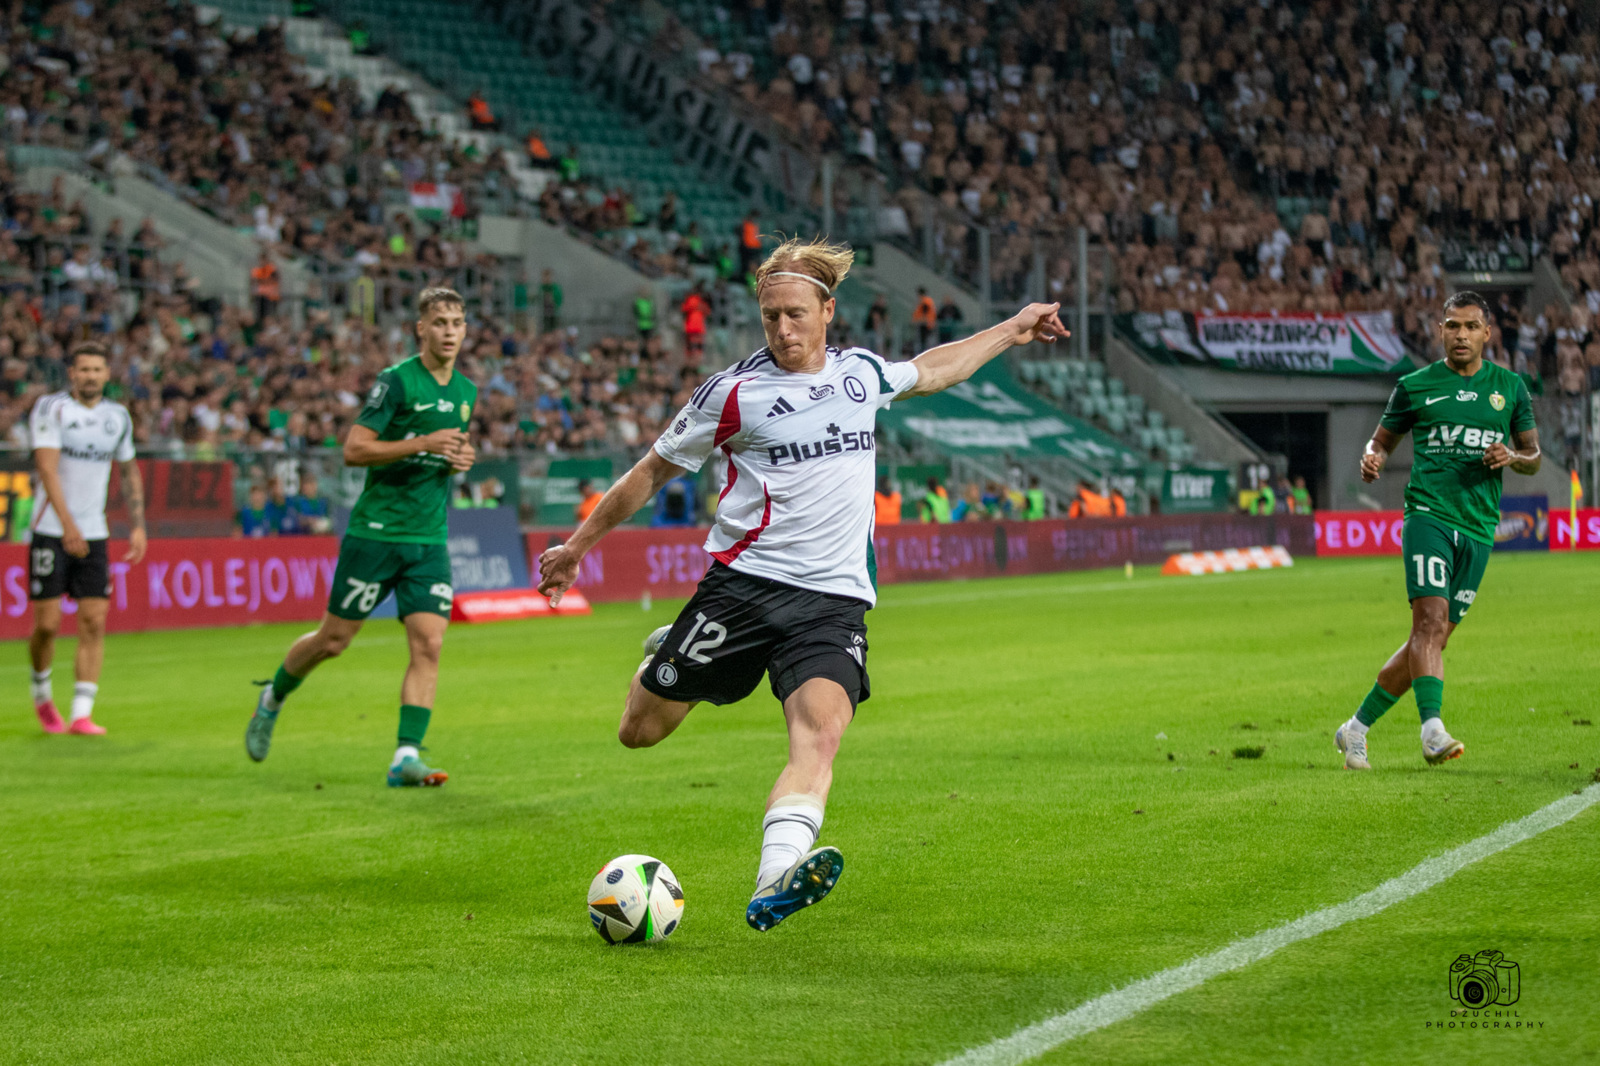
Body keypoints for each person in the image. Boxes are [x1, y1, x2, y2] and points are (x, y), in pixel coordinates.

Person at [536, 237, 1066, 932]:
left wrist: (1012, 327)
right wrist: (577, 547)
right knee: (640, 731)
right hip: (743, 591)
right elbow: (651, 472)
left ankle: (774, 878)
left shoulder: (861, 374)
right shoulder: (733, 395)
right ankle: (669, 650)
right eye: (770, 318)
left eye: (795, 315)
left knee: (820, 736)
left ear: (827, 310)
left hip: (833, 600)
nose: (783, 330)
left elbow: (933, 369)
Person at [244, 288, 478, 787]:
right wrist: (424, 443)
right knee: (333, 641)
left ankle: (405, 758)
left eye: (457, 322)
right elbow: (354, 449)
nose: (450, 331)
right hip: (375, 534)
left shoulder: (466, 392)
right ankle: (273, 696)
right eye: (440, 322)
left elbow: (441, 455)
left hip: (428, 538)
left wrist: (457, 459)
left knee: (429, 645)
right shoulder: (395, 382)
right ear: (421, 328)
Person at [1334, 292, 1540, 771]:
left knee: (1431, 641)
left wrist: (1512, 456)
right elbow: (1381, 440)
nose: (1461, 335)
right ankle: (1432, 731)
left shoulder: (1510, 388)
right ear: (1440, 331)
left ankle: (1356, 729)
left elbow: (1534, 457)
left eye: (1470, 326)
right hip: (1428, 514)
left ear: (1488, 333)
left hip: (1480, 525)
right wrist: (1372, 456)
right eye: (1452, 326)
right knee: (1427, 624)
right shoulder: (1415, 385)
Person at [27, 341, 146, 735]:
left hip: (95, 533)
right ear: (72, 373)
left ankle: (81, 712)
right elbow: (47, 470)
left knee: (94, 621)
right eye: (84, 369)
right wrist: (68, 526)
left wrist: (138, 525)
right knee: (47, 625)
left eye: (97, 369)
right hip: (51, 530)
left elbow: (128, 472)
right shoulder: (52, 408)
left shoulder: (118, 417)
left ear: (107, 375)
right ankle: (42, 694)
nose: (91, 376)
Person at [682, 282, 709, 365]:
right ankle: (690, 363)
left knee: (698, 347)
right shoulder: (692, 300)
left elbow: (707, 312)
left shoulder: (702, 302)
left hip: (698, 328)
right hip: (692, 327)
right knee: (692, 347)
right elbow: (684, 309)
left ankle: (697, 362)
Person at [250, 251, 280, 324]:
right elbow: (253, 281)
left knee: (269, 314)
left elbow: (275, 278)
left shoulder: (272, 268)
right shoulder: (256, 270)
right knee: (260, 314)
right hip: (261, 295)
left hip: (270, 296)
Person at [538, 269, 563, 334]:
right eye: (544, 277)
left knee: (554, 330)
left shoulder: (555, 288)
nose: (546, 279)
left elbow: (558, 300)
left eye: (548, 276)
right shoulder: (541, 288)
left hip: (553, 313)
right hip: (543, 314)